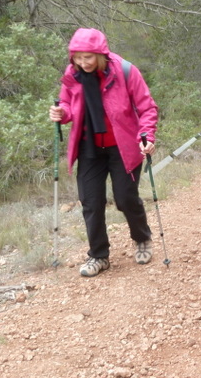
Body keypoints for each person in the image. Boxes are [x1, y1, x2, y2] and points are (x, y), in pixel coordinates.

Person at [49, 28, 159, 278]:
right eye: (77, 57)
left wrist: (147, 136)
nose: (82, 62)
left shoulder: (125, 71)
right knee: (91, 201)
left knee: (125, 198)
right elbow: (66, 104)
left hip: (123, 146)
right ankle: (98, 255)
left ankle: (142, 239)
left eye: (88, 57)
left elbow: (147, 107)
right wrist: (61, 113)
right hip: (89, 147)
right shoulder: (73, 75)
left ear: (101, 54)